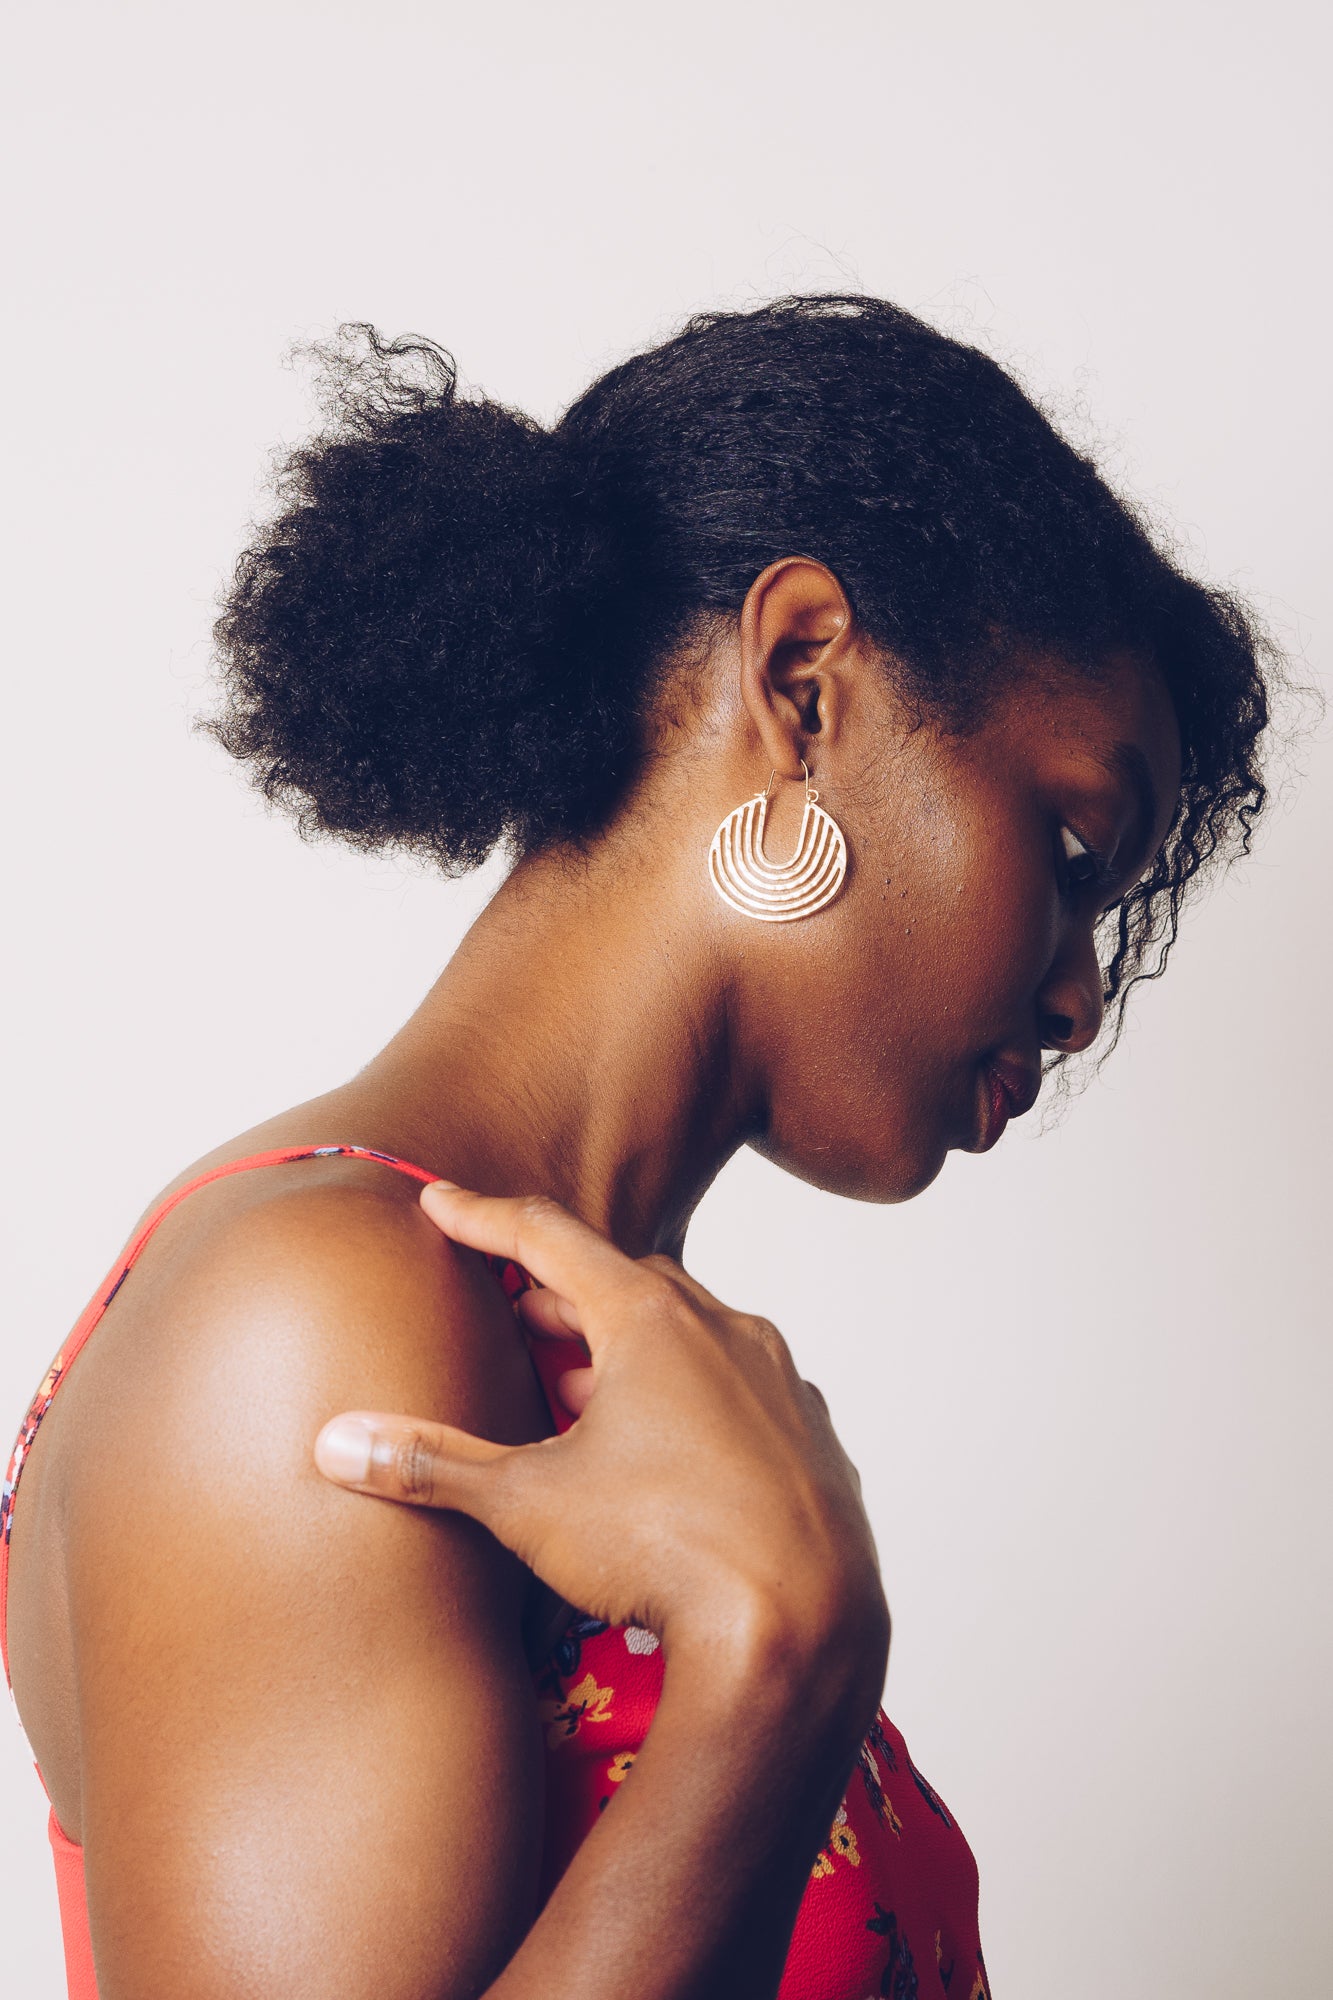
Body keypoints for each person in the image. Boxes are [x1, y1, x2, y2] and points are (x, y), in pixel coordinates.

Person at [0, 297, 1271, 2000]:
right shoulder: (313, 1321)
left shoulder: (623, 1386)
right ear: (805, 679)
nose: (1076, 998)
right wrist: (770, 1670)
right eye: (1064, 842)